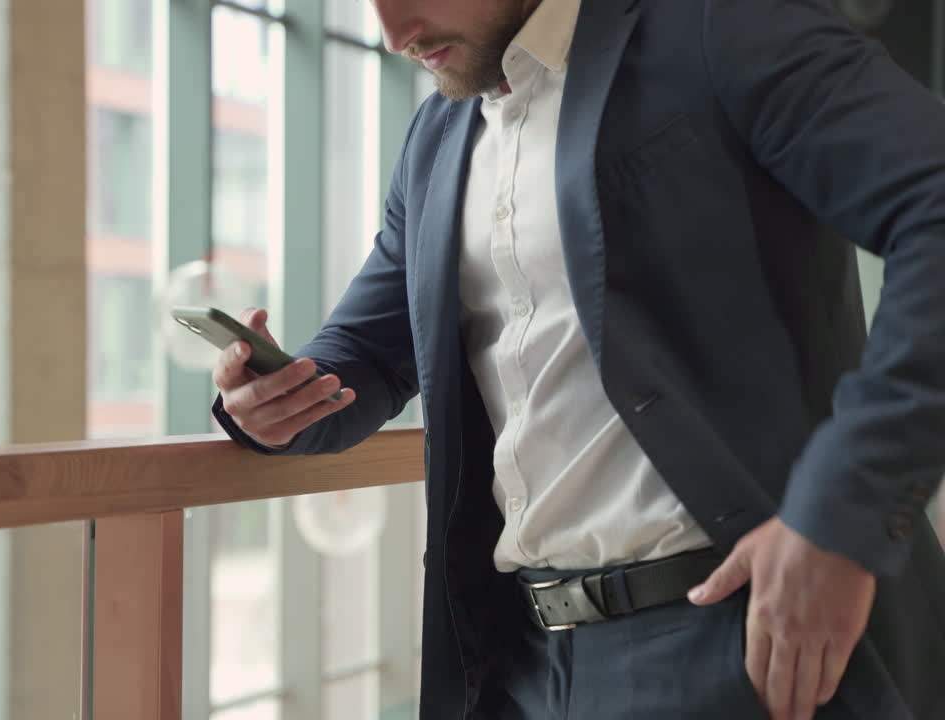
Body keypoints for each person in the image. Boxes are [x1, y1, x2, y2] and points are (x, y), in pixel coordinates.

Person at [211, 0, 945, 717]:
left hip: (740, 639)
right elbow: (367, 350)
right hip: (520, 659)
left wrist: (842, 514)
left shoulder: (724, 24)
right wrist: (273, 401)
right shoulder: (437, 134)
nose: (393, 30)